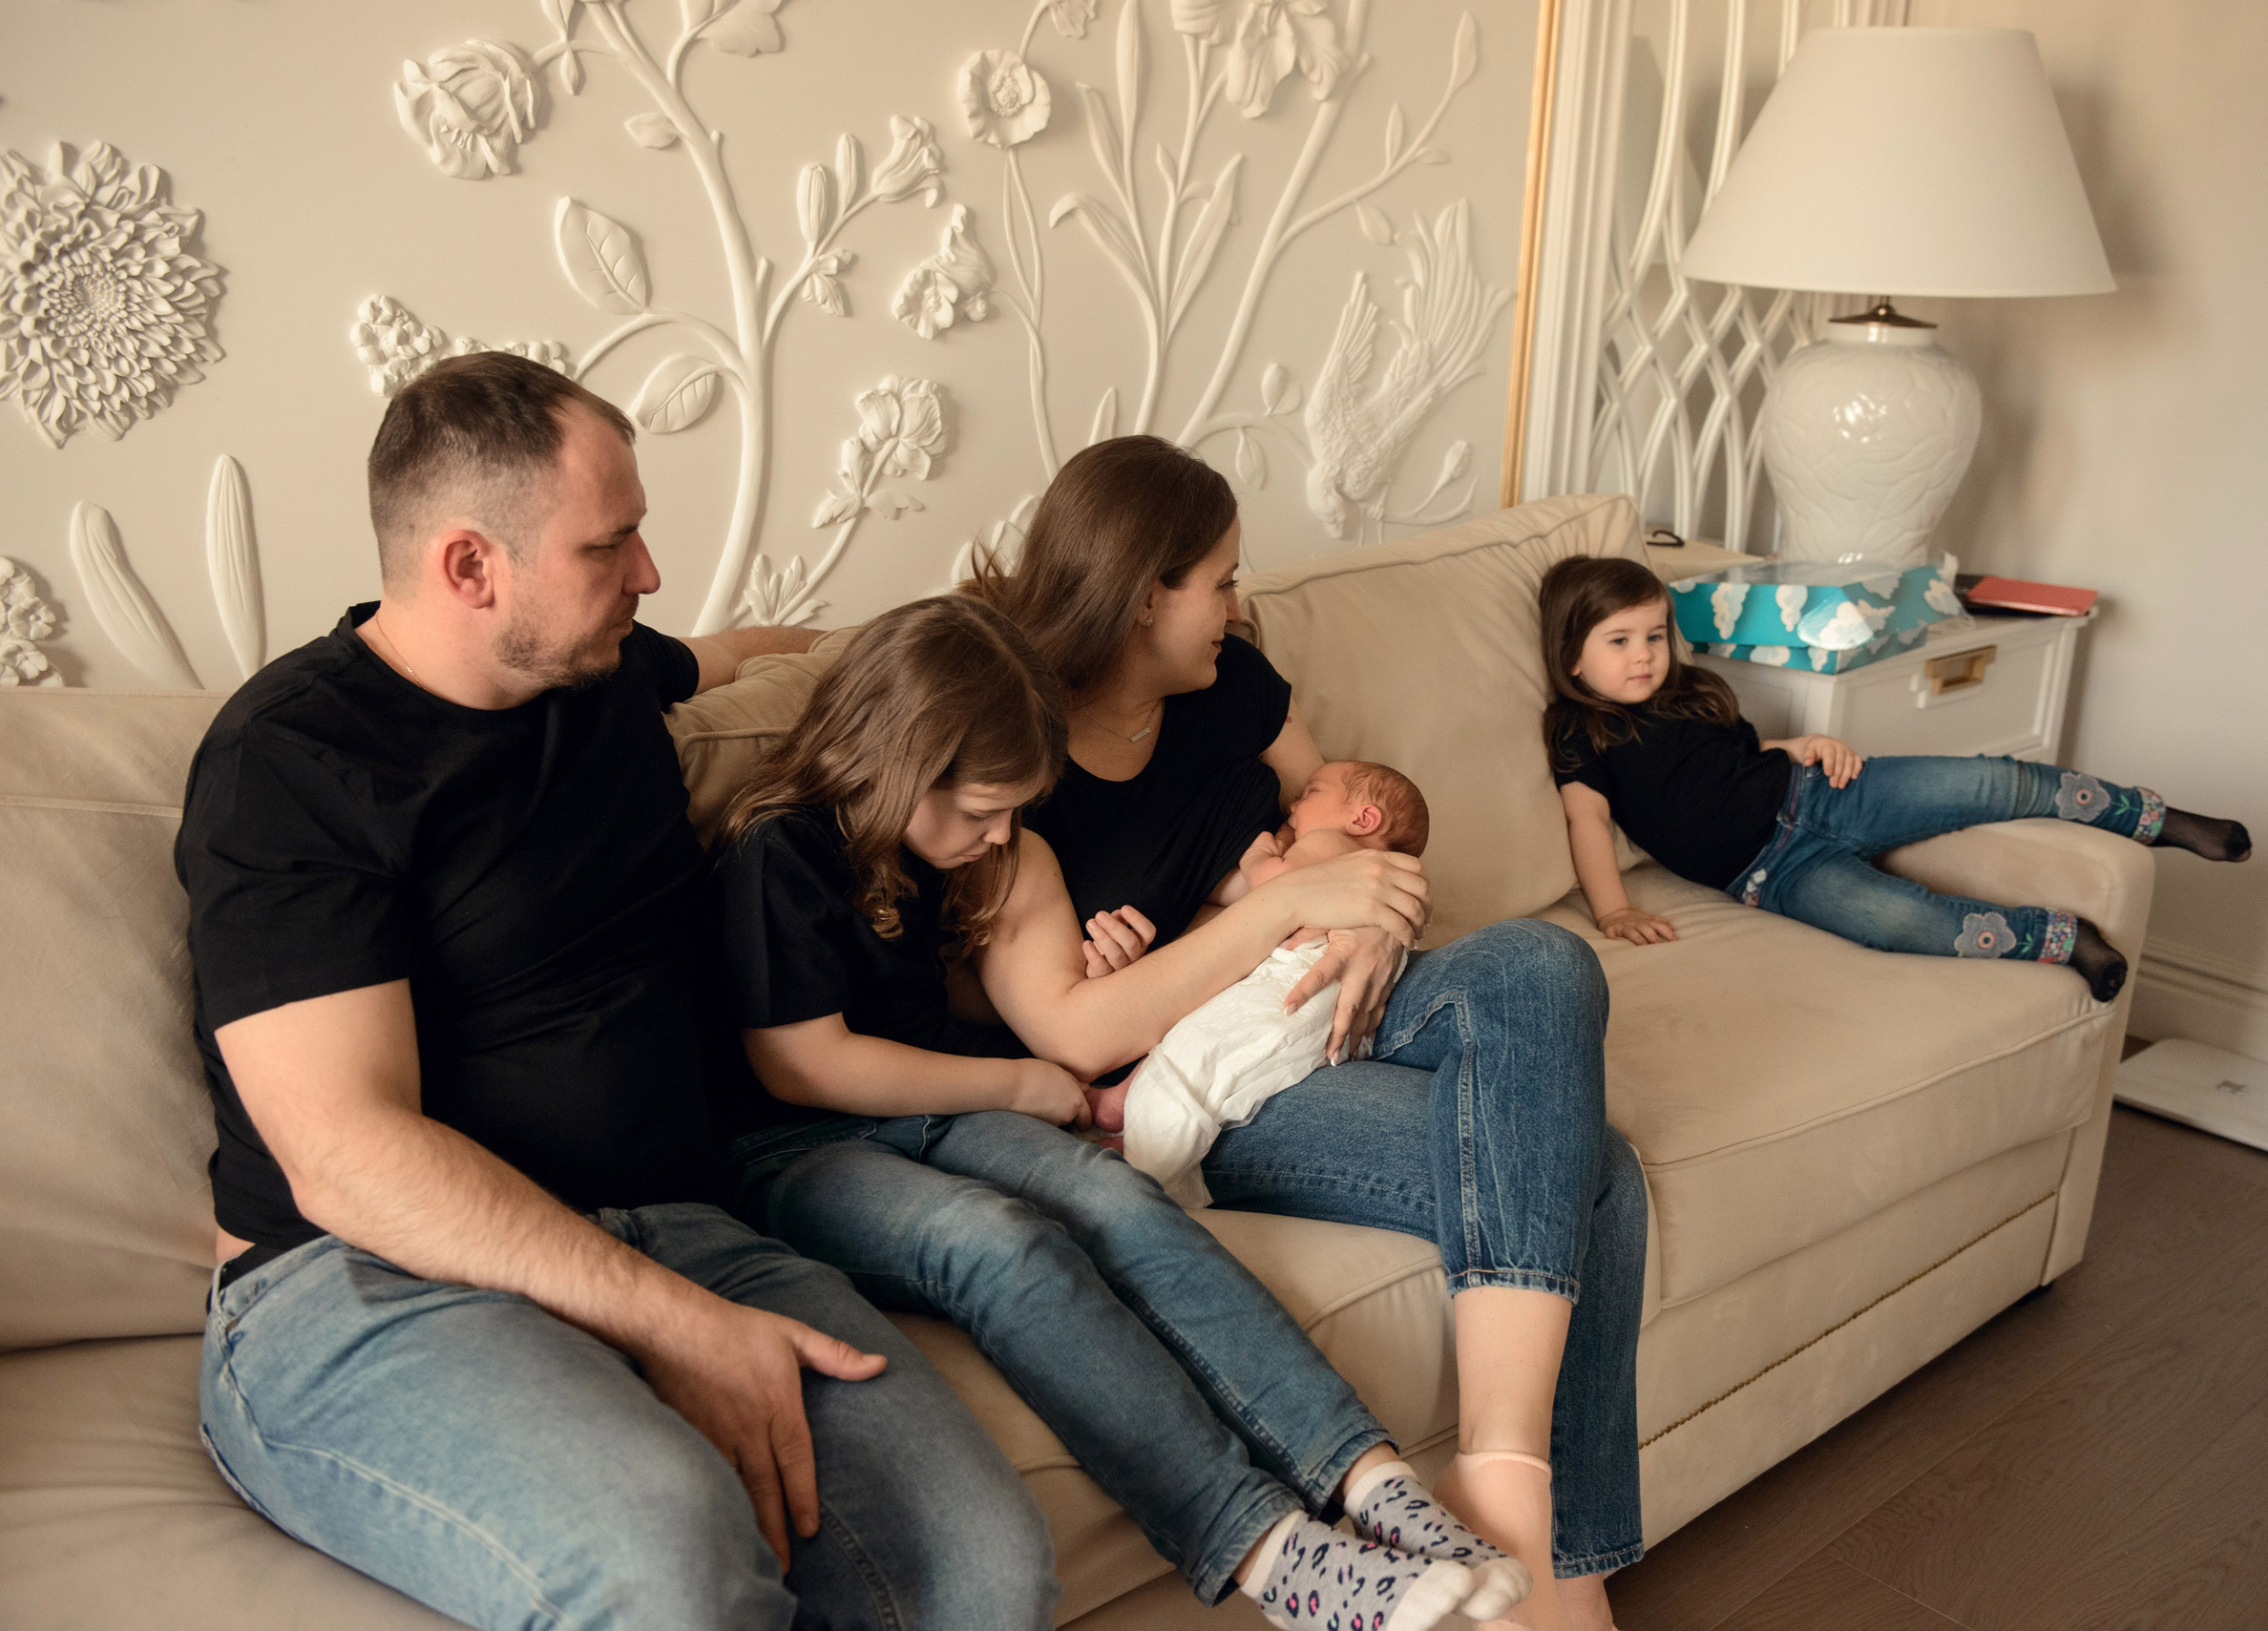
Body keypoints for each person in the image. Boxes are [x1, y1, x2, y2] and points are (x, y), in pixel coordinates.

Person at [176, 352, 1057, 1631]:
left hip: (679, 1226)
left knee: (985, 1571)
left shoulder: (599, 669)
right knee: (667, 1563)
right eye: (611, 543)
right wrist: (678, 1326)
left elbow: (740, 655)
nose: (647, 571)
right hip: (367, 1279)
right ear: (470, 567)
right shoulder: (294, 762)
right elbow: (346, 1157)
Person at [715, 596, 1527, 1631]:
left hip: (944, 1108)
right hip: (802, 1147)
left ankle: (1374, 1484)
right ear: (900, 762)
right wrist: (1015, 1084)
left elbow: (994, 1000)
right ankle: (1273, 1553)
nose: (1001, 833)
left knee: (1116, 1198)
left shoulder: (955, 850)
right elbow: (803, 1062)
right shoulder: (779, 848)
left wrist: (1100, 971)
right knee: (998, 1242)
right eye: (984, 810)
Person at [964, 436, 1647, 1631]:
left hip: (1330, 991)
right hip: (1219, 1076)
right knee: (1597, 1169)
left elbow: (1358, 814)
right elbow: (1070, 1029)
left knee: (1542, 959)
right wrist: (1285, 908)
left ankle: (1500, 1481)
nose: (1238, 604)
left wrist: (1377, 914)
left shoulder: (1227, 684)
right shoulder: (1014, 750)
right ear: (1142, 594)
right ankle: (1564, 1581)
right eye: (1219, 580)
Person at [1538, 554, 2252, 1001]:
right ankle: (2063, 938)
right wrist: (1613, 910)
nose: (1645, 655)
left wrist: (1803, 743)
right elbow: (1586, 818)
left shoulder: (1691, 691)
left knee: (1988, 783)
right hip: (1771, 873)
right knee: (1900, 921)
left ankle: (2150, 818)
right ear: (1572, 657)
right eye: (1620, 641)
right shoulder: (1581, 729)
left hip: (1822, 792)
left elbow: (1741, 754)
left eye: (1654, 636)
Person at [1093, 759, 1431, 1207]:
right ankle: (1129, 1109)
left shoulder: (1331, 844)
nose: (1293, 804)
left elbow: (1277, 885)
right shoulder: (1378, 869)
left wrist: (1257, 854)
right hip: (1337, 998)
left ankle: (1141, 1156)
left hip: (1296, 975)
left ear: (1363, 819)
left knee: (1206, 1049)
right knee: (1225, 1056)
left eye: (1311, 793)